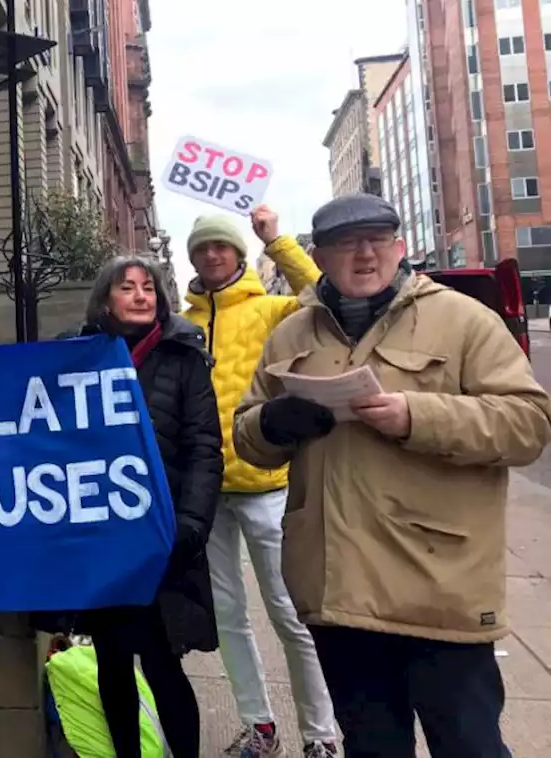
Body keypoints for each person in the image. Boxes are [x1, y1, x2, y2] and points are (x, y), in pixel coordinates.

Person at [233, 193, 551, 758]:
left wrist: (417, 415)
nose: (363, 255)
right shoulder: (291, 335)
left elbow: (528, 424)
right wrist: (273, 423)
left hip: (438, 585)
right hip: (338, 588)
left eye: (377, 241)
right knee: (373, 747)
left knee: (469, 744)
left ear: (399, 247)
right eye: (345, 244)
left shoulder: (463, 320)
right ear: (321, 256)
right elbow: (248, 438)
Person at [181, 205, 338, 758]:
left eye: (220, 246)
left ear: (238, 253)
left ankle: (320, 734)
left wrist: (278, 241)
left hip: (270, 483)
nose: (211, 255)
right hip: (208, 494)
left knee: (291, 613)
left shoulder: (272, 309)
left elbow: (326, 296)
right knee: (228, 617)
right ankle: (260, 726)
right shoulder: (185, 324)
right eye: (201, 248)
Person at [71, 256, 223, 758]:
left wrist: (193, 524)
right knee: (113, 660)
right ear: (106, 298)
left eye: (148, 288)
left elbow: (205, 447)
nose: (140, 296)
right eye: (127, 287)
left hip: (166, 536)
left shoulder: (184, 358)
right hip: (105, 539)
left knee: (163, 663)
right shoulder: (78, 356)